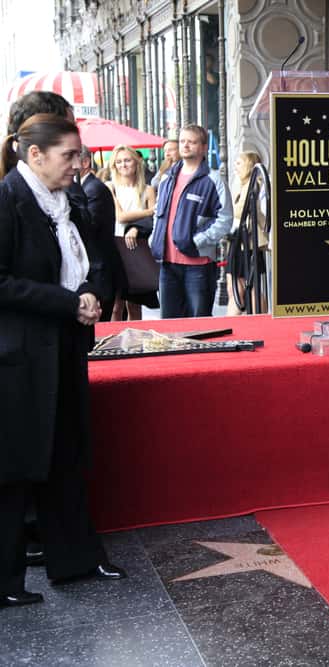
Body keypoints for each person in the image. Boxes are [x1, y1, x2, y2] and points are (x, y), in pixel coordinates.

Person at [0, 114, 126, 608]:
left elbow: (92, 258)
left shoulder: (69, 198)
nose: (79, 164)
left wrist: (92, 291)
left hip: (67, 347)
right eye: (69, 155)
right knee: (14, 469)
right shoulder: (7, 200)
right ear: (35, 155)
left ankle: (76, 560)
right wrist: (64, 301)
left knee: (66, 455)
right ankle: (6, 583)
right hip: (20, 357)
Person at [150, 124, 232, 318]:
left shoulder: (213, 180)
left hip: (199, 265)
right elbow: (157, 213)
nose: (185, 146)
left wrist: (197, 241)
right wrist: (155, 237)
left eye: (192, 142)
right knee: (169, 326)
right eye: (182, 141)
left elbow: (225, 219)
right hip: (167, 264)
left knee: (198, 324)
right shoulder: (167, 179)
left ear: (203, 147)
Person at [108, 144, 158, 320]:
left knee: (135, 306)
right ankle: (113, 343)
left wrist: (137, 226)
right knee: (116, 306)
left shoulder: (148, 189)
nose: (123, 165)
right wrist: (147, 212)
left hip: (137, 247)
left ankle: (135, 343)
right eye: (119, 162)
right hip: (115, 246)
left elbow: (155, 220)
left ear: (136, 162)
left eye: (127, 160)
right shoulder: (110, 187)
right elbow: (120, 216)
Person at [78, 145, 121, 321]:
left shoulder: (93, 189)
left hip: (99, 272)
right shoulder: (86, 187)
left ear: (85, 162)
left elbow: (89, 227)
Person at [226, 151, 268, 315]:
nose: (235, 166)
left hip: (245, 243)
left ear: (249, 165)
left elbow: (240, 212)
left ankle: (234, 321)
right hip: (244, 243)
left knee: (240, 288)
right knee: (245, 287)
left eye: (239, 163)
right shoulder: (248, 185)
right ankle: (258, 318)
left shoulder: (252, 186)